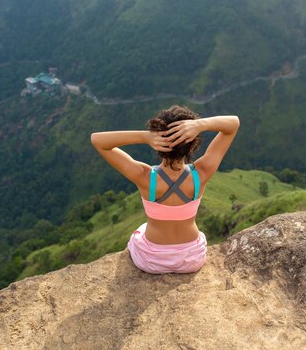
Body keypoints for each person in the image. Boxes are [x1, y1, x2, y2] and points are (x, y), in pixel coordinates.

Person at [90, 105, 240, 274]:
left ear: (158, 145)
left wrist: (145, 136)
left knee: (140, 231)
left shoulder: (145, 177)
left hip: (152, 261)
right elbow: (233, 124)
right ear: (192, 146)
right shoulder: (203, 172)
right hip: (192, 259)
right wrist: (200, 125)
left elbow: (98, 141)